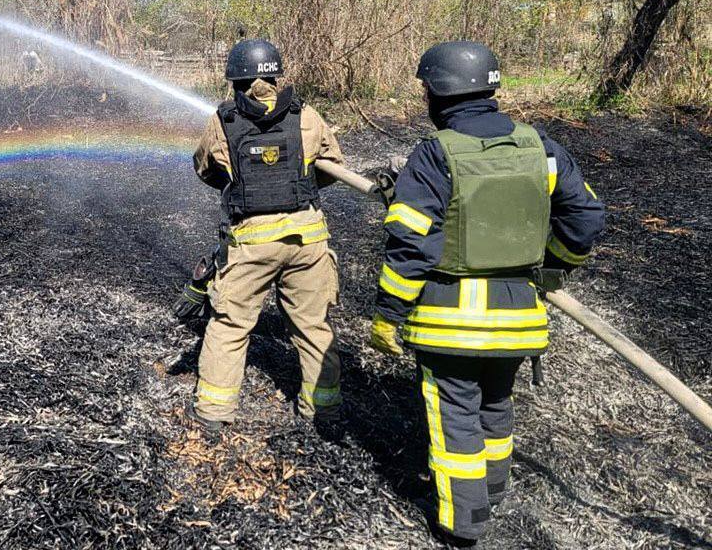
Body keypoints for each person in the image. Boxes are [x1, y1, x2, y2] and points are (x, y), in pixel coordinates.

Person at [368, 41, 605, 546]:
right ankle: (494, 492)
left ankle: (464, 523)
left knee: (455, 415)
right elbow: (585, 219)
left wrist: (389, 313)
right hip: (519, 318)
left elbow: (411, 242)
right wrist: (552, 268)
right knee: (496, 403)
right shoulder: (541, 147)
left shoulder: (435, 153)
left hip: (450, 321)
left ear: (439, 92)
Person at [187, 38, 346, 436]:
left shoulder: (223, 121)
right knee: (313, 325)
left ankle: (213, 410)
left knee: (230, 324)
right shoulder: (306, 115)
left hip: (252, 241)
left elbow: (204, 169)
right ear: (276, 75)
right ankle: (323, 408)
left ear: (235, 81)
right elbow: (332, 166)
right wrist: (298, 187)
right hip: (307, 238)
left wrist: (241, 184)